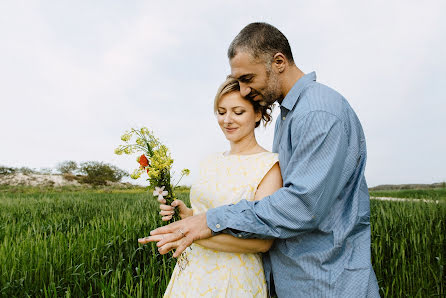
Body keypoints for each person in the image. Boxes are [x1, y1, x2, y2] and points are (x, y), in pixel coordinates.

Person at [145, 22, 380, 297]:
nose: (243, 91)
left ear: (278, 62)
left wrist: (211, 220)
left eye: (247, 78)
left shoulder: (317, 112)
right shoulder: (290, 115)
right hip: (299, 278)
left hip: (326, 281)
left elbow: (302, 206)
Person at [140, 77, 283, 297]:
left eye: (238, 112)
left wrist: (189, 233)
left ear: (257, 114)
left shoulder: (269, 165)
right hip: (192, 273)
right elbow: (202, 217)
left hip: (235, 279)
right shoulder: (210, 160)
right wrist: (186, 215)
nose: (227, 120)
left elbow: (262, 242)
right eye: (221, 111)